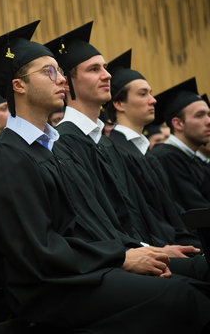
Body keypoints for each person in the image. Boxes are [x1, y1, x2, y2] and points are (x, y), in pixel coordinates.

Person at [0, 21, 210, 333]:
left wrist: (134, 251)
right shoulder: (6, 157)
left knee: (193, 281)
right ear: (19, 86)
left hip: (79, 271)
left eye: (60, 71)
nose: (61, 81)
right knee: (180, 296)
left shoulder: (47, 149)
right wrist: (121, 259)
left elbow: (86, 226)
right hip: (50, 290)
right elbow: (37, 250)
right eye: (49, 72)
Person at [46, 22, 185, 248]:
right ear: (67, 83)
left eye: (105, 67)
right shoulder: (64, 143)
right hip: (119, 258)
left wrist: (161, 247)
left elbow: (138, 213)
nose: (107, 75)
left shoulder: (104, 142)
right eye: (94, 69)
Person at [105, 49, 200, 246]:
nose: (153, 100)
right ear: (119, 103)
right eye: (143, 94)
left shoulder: (146, 154)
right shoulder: (115, 151)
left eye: (151, 93)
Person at [148, 77, 210, 211]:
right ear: (178, 123)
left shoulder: (194, 160)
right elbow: (197, 211)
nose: (208, 121)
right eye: (200, 115)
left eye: (208, 115)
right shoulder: (166, 158)